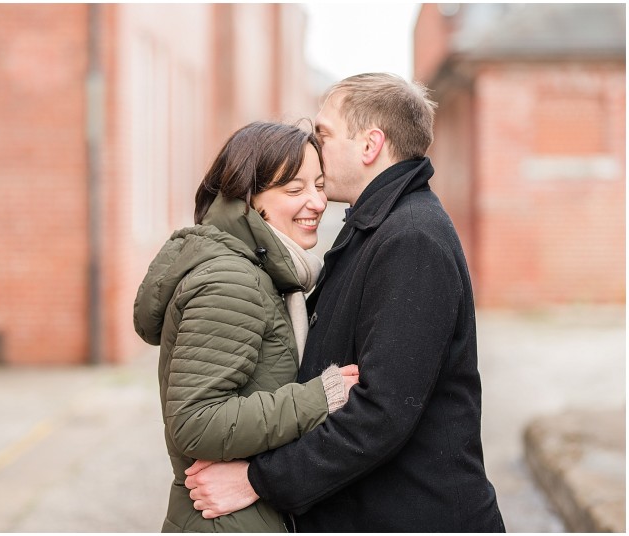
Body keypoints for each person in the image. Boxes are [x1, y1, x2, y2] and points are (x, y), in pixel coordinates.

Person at [184, 73, 506, 532]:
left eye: (324, 134)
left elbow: (382, 413)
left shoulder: (410, 238)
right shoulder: (377, 226)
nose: (313, 147)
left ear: (370, 145)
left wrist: (259, 480)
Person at [133, 121, 359, 532]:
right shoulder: (233, 280)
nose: (316, 202)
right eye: (294, 190)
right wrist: (318, 398)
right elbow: (194, 421)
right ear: (251, 201)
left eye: (319, 185)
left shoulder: (267, 274)